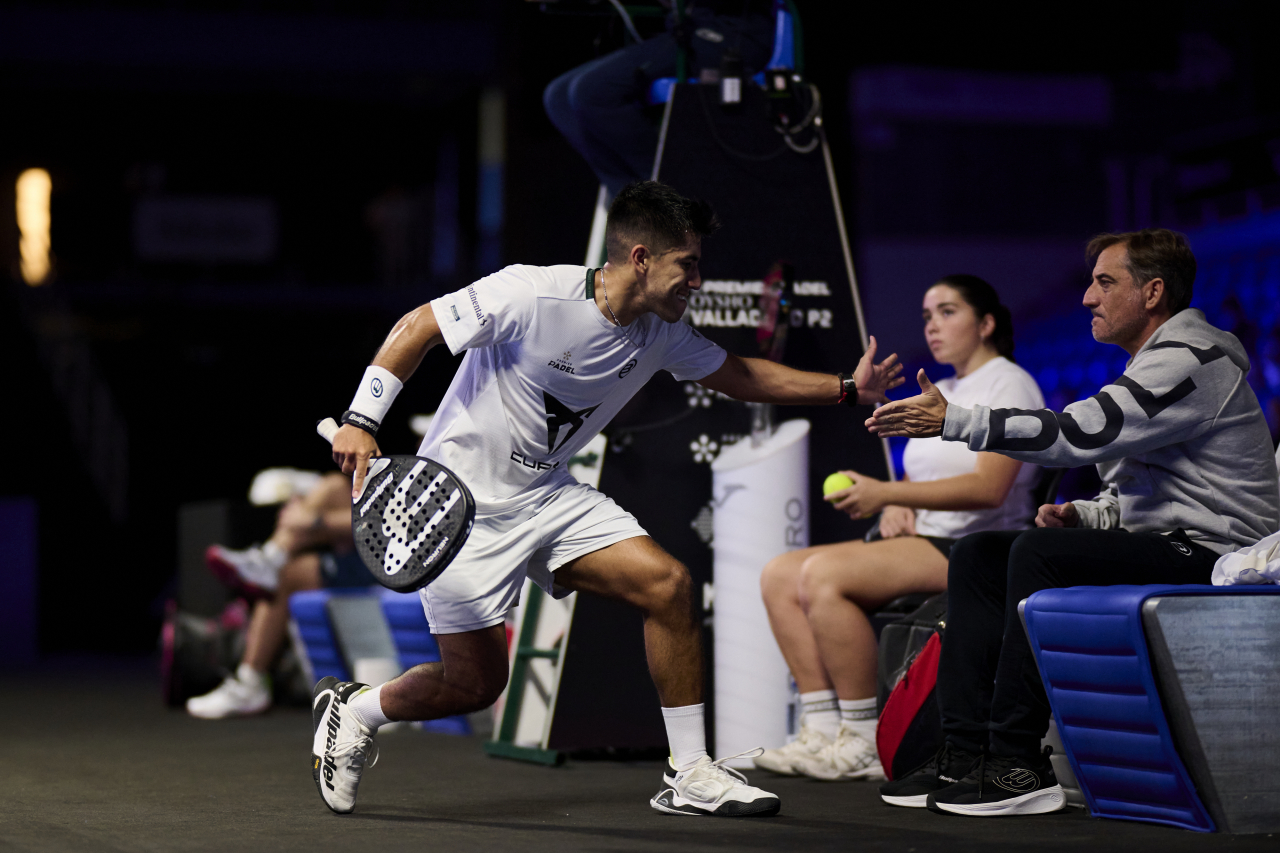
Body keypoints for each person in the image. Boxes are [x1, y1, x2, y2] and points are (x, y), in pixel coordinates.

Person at [314, 180, 904, 817]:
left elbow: (740, 374)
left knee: (668, 585)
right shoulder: (531, 293)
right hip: (458, 509)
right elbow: (420, 325)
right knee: (476, 684)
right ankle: (357, 707)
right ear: (642, 258)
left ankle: (690, 771)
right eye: (688, 264)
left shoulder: (662, 331)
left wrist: (844, 387)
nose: (697, 281)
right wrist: (362, 419)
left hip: (548, 495)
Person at [867, 228, 1280, 817]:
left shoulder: (1192, 362)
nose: (1087, 297)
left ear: (1153, 293)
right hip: (1171, 540)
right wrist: (1084, 513)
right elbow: (1148, 495)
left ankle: (1016, 763)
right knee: (979, 553)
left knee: (1035, 554)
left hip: (1218, 554)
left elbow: (1079, 433)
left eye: (1105, 282)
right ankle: (961, 752)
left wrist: (955, 420)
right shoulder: (1154, 365)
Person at [755, 275, 1044, 781]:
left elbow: (988, 488)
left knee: (823, 576)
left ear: (987, 323)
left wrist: (887, 493)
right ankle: (822, 730)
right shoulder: (943, 389)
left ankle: (865, 739)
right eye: (928, 316)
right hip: (923, 535)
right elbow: (922, 475)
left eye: (948, 312)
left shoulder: (1009, 382)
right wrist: (897, 504)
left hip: (974, 547)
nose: (933, 325)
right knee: (778, 574)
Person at [543, 2, 773, 199]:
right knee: (558, 98)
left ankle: (671, 195)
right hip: (689, 30)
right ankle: (635, 205)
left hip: (734, 33)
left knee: (593, 93)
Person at [188, 473, 371, 719]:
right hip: (368, 545)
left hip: (394, 560)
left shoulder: (428, 467)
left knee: (281, 576)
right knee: (334, 486)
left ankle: (269, 560)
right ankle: (270, 558)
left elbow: (386, 521)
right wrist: (307, 518)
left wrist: (314, 519)